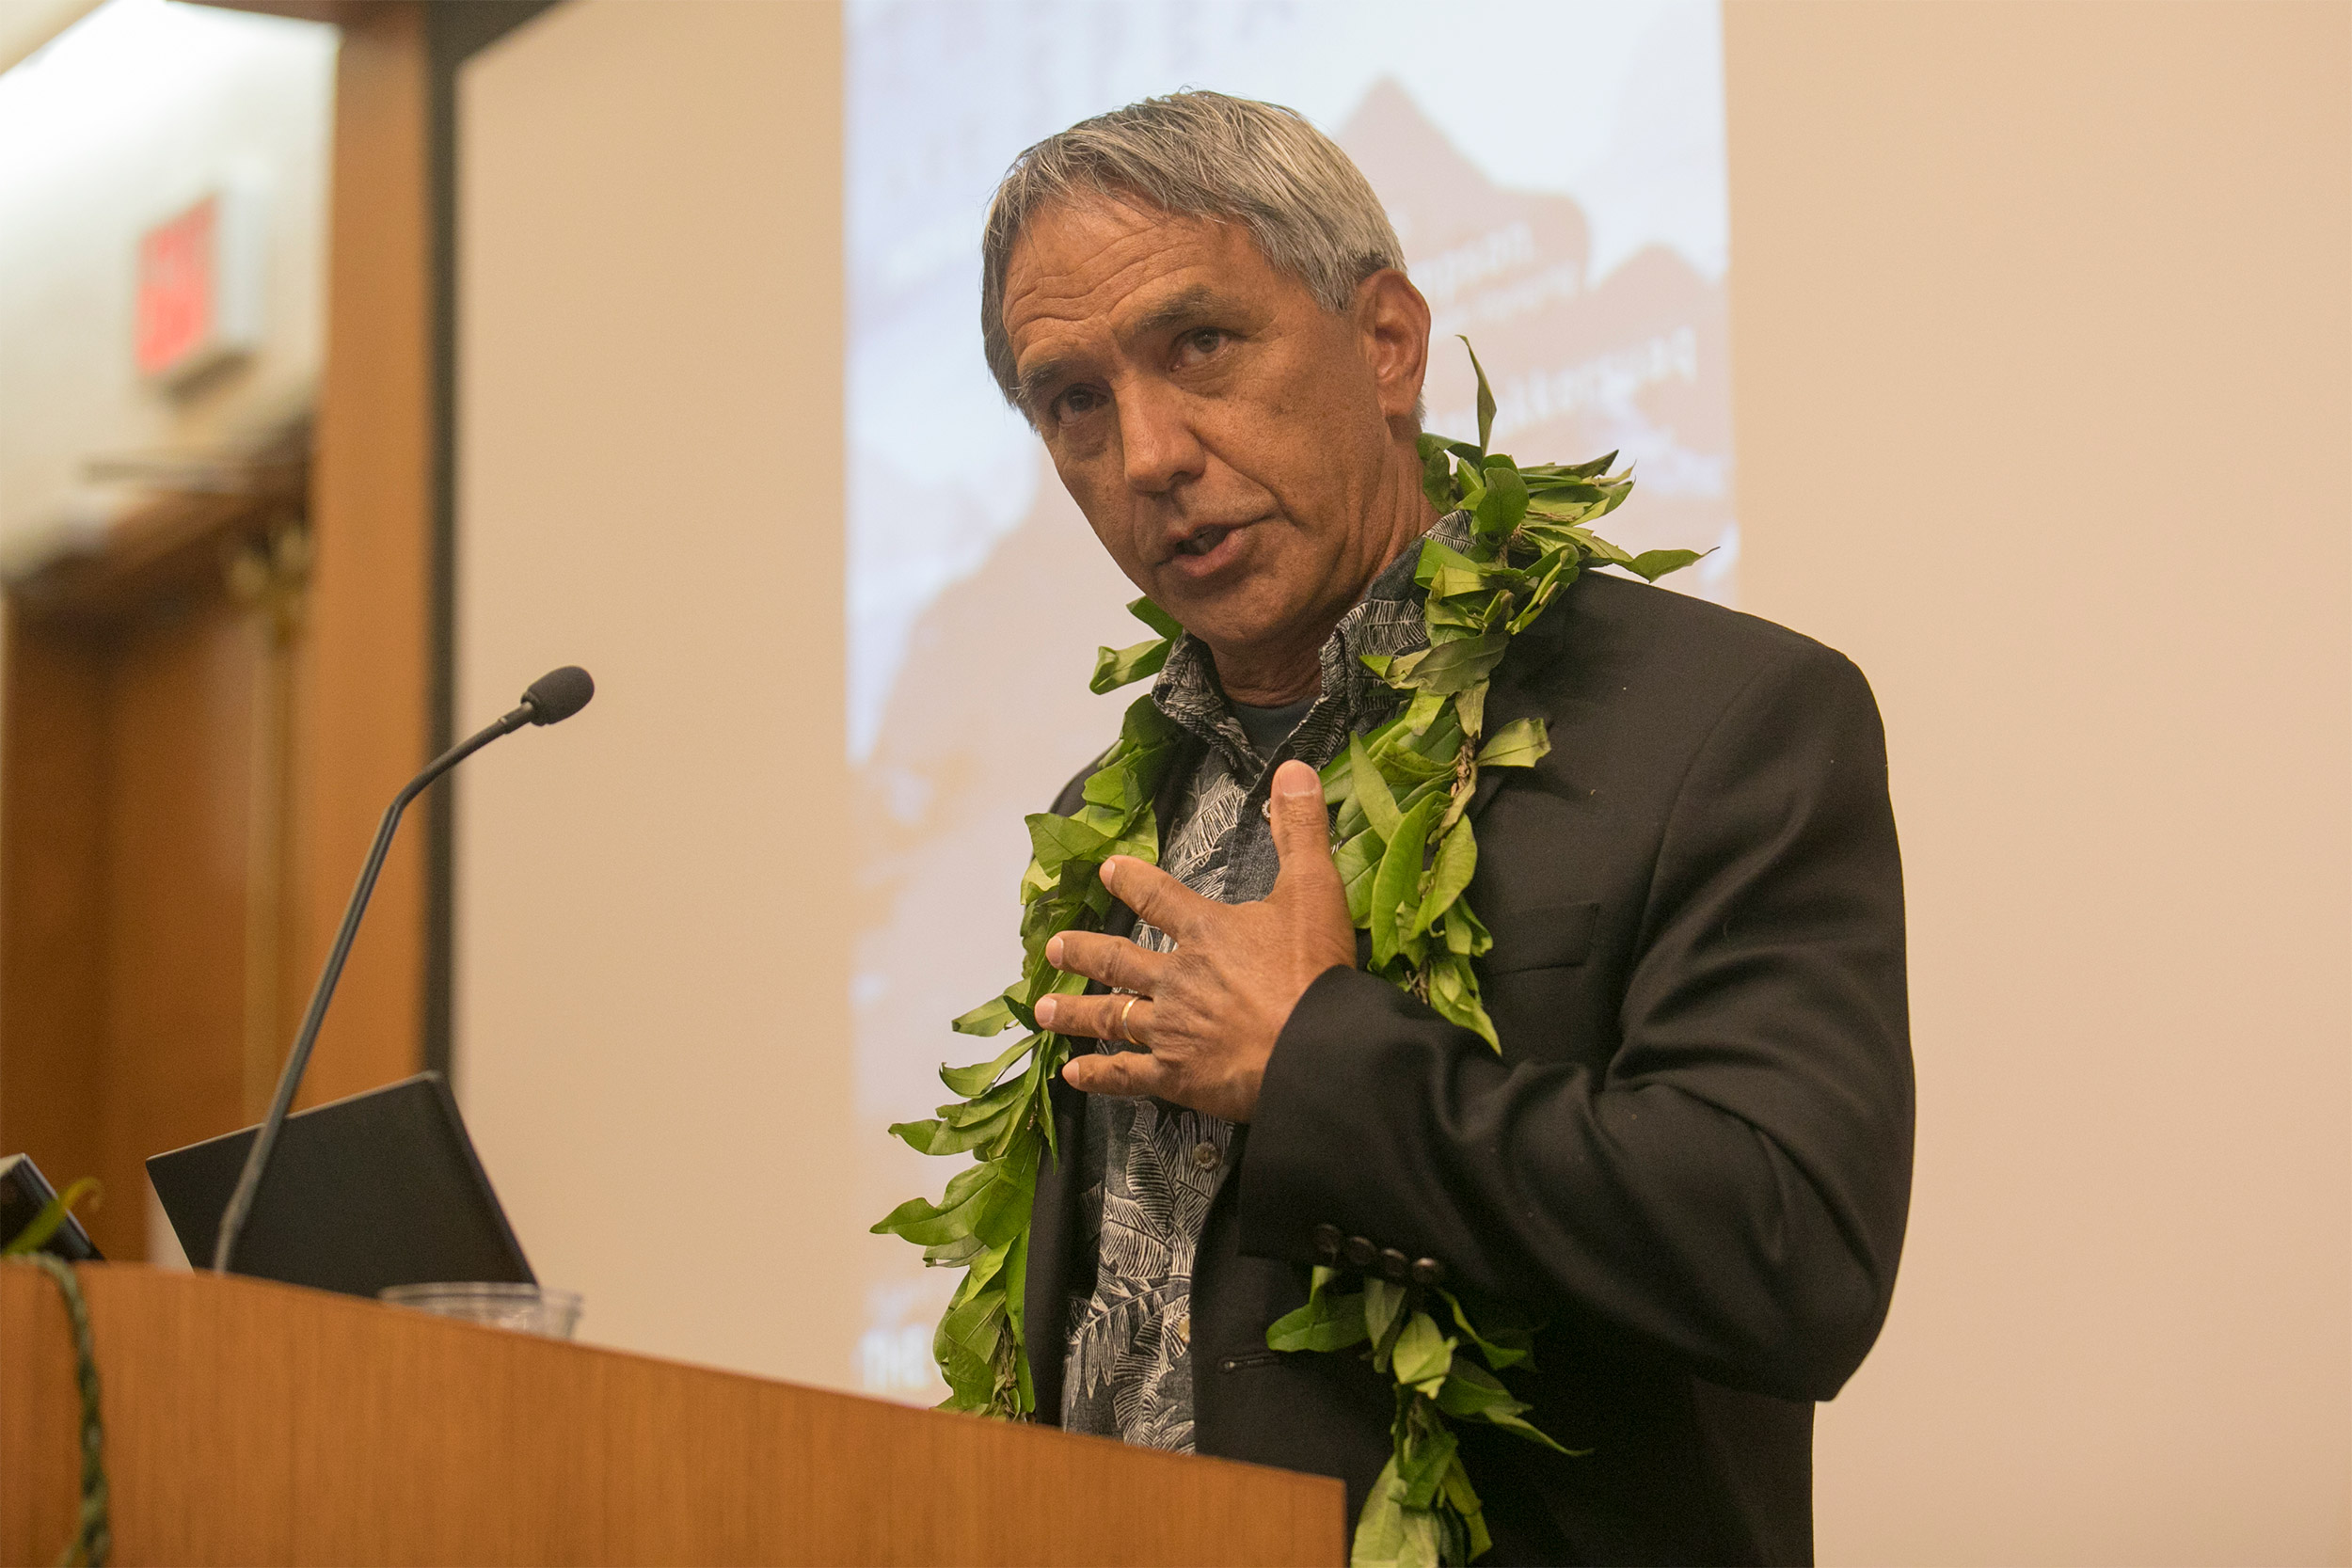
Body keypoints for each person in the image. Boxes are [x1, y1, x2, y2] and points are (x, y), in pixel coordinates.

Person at [983, 90, 1912, 1566]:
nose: (1148, 450)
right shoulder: (1125, 815)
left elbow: (1792, 1253)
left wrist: (1316, 1066)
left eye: (1200, 344)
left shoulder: (1721, 724)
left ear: (1387, 343)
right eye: (1074, 401)